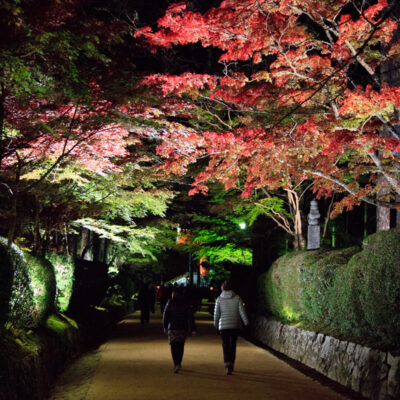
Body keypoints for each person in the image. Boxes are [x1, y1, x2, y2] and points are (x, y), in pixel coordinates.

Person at [214, 279, 249, 375]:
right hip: (234, 325)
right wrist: (246, 322)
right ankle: (231, 364)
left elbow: (217, 314)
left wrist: (216, 325)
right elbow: (242, 311)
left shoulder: (219, 299)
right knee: (233, 344)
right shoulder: (237, 298)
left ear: (222, 288)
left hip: (223, 326)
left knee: (225, 345)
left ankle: (227, 364)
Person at [163, 288, 196, 373]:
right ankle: (179, 362)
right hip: (182, 327)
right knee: (180, 346)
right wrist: (192, 328)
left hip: (172, 327)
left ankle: (176, 363)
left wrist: (165, 326)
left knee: (173, 346)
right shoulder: (186, 303)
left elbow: (166, 315)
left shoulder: (170, 302)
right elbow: (190, 317)